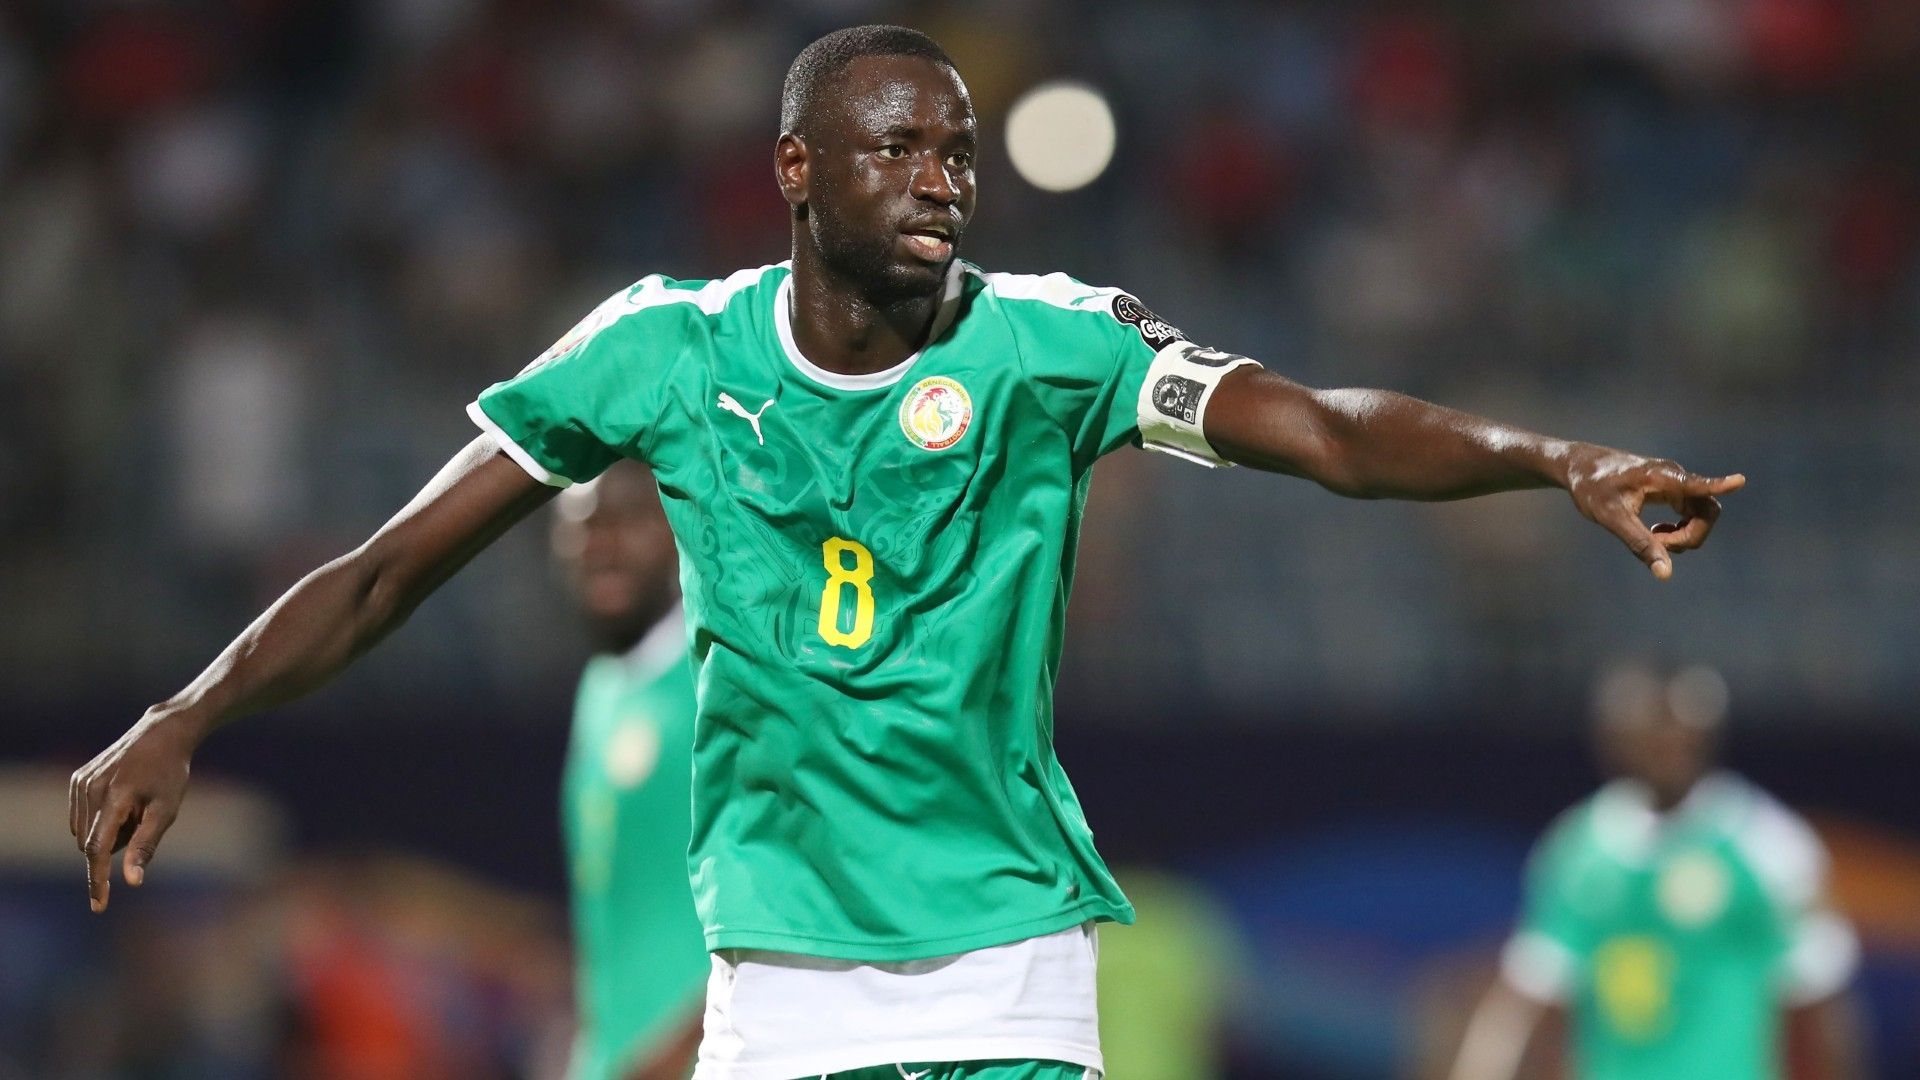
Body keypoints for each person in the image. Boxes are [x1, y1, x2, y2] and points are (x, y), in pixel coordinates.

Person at [70, 24, 1744, 1080]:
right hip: (778, 992)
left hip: (1003, 974)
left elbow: (1324, 432)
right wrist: (189, 714)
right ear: (796, 171)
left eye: (958, 148)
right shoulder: (665, 350)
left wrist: (1552, 457)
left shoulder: (1050, 345)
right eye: (902, 147)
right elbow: (385, 568)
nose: (945, 180)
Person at [1448, 663, 1865, 1080]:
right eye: (1647, 731)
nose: (1663, 746)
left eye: (1677, 731)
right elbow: (1532, 996)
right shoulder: (1579, 850)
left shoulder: (1768, 844)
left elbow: (1819, 998)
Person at [551, 462, 709, 1080]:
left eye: (630, 520)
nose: (604, 543)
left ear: (678, 527)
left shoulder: (717, 678)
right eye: (583, 524)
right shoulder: (601, 687)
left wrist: (675, 1057)